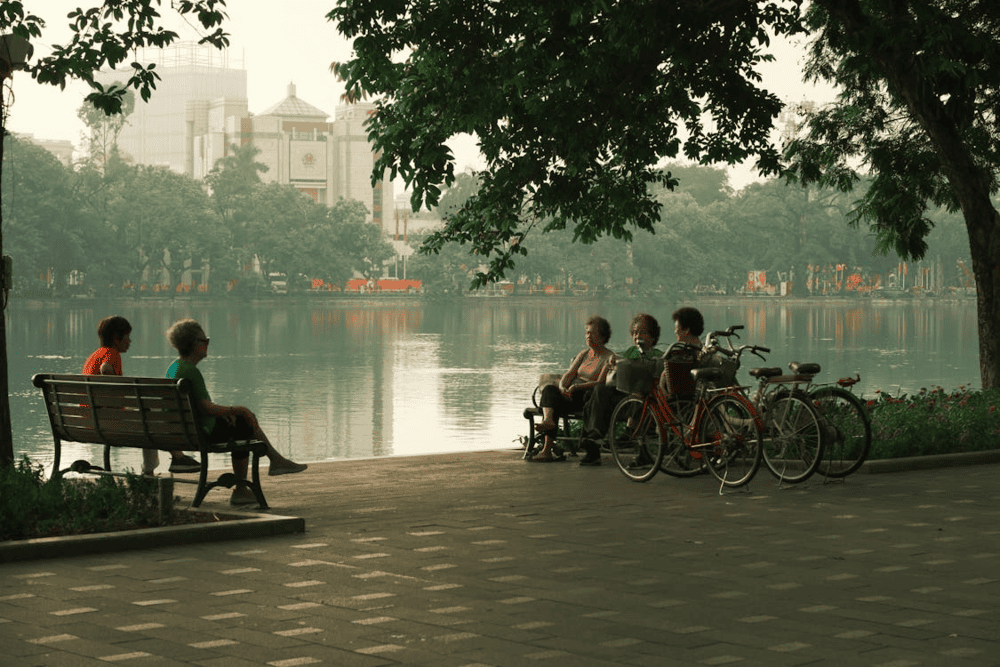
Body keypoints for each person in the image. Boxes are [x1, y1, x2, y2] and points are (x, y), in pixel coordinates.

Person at [164, 318, 307, 505]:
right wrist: (238, 410)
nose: (207, 344)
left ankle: (275, 461)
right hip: (203, 433)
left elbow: (195, 408)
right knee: (244, 421)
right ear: (193, 344)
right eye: (204, 340)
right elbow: (205, 407)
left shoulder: (174, 367)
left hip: (185, 432)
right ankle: (245, 486)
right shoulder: (191, 371)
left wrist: (227, 414)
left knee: (239, 419)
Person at [83, 315, 200, 476]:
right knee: (151, 417)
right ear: (116, 339)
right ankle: (167, 462)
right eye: (127, 337)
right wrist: (119, 388)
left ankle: (170, 460)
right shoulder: (112, 353)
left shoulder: (93, 356)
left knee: (148, 417)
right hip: (111, 421)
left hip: (91, 421)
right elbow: (106, 369)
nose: (129, 341)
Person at [578, 313, 664, 466]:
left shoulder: (657, 355)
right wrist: (614, 360)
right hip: (625, 399)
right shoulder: (633, 351)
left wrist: (624, 362)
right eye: (635, 332)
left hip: (642, 400)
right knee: (600, 390)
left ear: (652, 336)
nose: (638, 336)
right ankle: (595, 434)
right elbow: (623, 358)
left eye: (642, 332)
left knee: (638, 397)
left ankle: (633, 446)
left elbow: (646, 367)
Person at [532, 315, 614, 462]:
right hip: (571, 393)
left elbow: (601, 382)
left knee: (562, 398)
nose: (588, 336)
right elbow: (569, 374)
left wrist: (576, 386)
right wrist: (563, 387)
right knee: (550, 389)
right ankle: (547, 434)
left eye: (592, 333)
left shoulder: (608, 357)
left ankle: (549, 441)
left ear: (602, 336)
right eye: (587, 332)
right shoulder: (584, 354)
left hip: (587, 396)